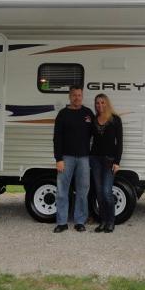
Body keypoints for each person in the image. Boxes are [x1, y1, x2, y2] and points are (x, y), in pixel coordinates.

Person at [53, 85, 93, 233]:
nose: (77, 98)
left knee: (83, 191)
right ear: (70, 97)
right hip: (66, 158)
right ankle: (62, 222)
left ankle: (80, 221)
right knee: (62, 191)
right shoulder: (63, 114)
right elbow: (57, 138)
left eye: (79, 95)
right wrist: (58, 159)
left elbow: (97, 132)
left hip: (84, 158)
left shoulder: (88, 113)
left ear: (82, 96)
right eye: (74, 95)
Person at [90, 93, 123, 233]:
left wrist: (117, 161)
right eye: (97, 103)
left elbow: (120, 142)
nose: (100, 105)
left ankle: (111, 221)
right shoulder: (93, 119)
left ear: (107, 103)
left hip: (109, 161)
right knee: (98, 192)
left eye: (102, 102)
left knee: (106, 192)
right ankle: (103, 221)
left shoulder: (115, 120)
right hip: (95, 159)